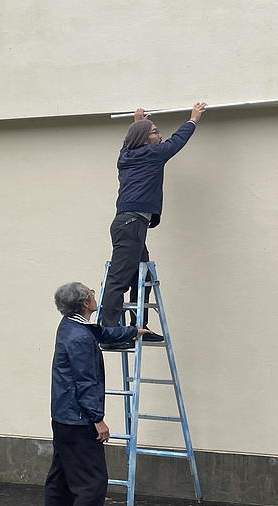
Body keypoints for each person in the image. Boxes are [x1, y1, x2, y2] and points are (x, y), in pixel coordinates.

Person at [42, 282, 149, 506]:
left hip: (63, 418)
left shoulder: (71, 326)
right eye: (90, 291)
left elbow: (100, 332)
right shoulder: (79, 338)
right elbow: (85, 382)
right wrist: (97, 420)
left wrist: (132, 331)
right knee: (93, 483)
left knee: (61, 481)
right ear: (84, 303)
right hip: (79, 420)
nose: (94, 294)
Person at [99, 103, 207, 350]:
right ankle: (111, 335)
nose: (160, 135)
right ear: (146, 140)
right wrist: (192, 119)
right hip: (131, 225)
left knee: (143, 276)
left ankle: (138, 327)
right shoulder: (153, 154)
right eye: (155, 132)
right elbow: (176, 142)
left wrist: (137, 122)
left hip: (130, 223)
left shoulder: (125, 157)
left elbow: (128, 142)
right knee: (119, 280)